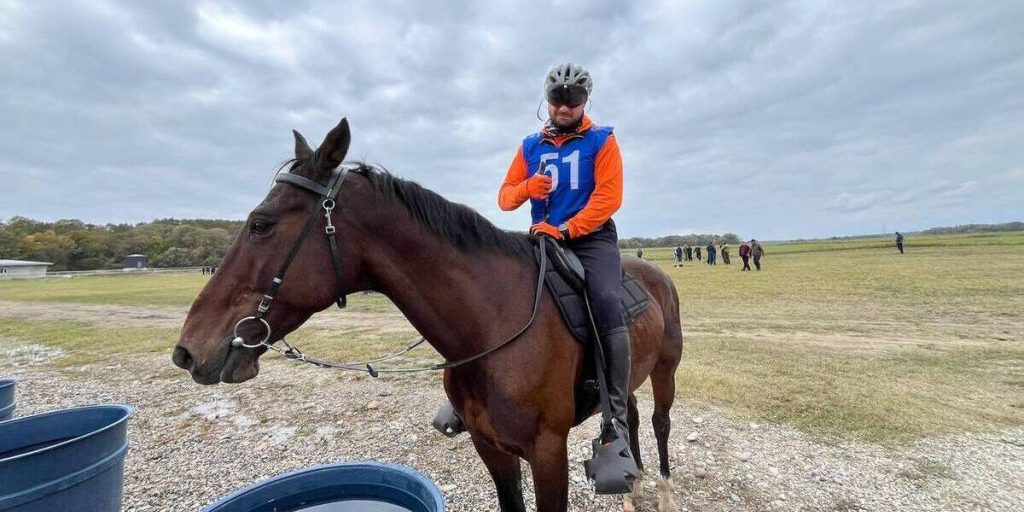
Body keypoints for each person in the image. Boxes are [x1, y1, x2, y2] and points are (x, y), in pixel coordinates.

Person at [435, 62, 638, 489]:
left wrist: (567, 229)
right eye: (557, 98)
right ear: (547, 100)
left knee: (605, 300)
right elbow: (505, 197)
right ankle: (464, 397)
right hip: (542, 237)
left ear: (585, 101)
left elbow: (609, 198)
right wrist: (529, 188)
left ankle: (615, 422)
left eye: (573, 99)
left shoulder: (602, 140)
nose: (564, 106)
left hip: (590, 239)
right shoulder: (530, 146)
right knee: (492, 291)